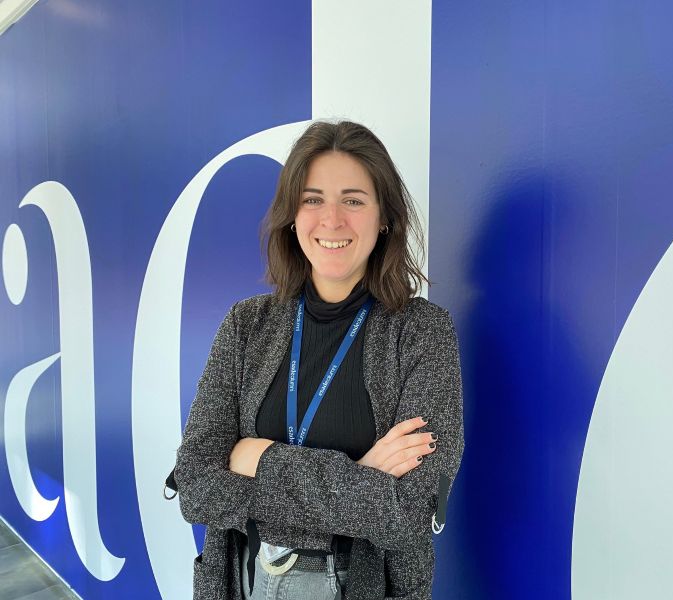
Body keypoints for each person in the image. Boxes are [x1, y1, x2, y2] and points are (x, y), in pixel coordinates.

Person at [173, 120, 465, 600]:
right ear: (292, 215)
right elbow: (196, 485)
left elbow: (408, 512)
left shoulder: (422, 333)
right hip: (242, 582)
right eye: (312, 199)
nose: (332, 220)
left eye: (354, 200)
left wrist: (256, 458)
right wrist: (361, 476)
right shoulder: (246, 325)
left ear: (384, 217)